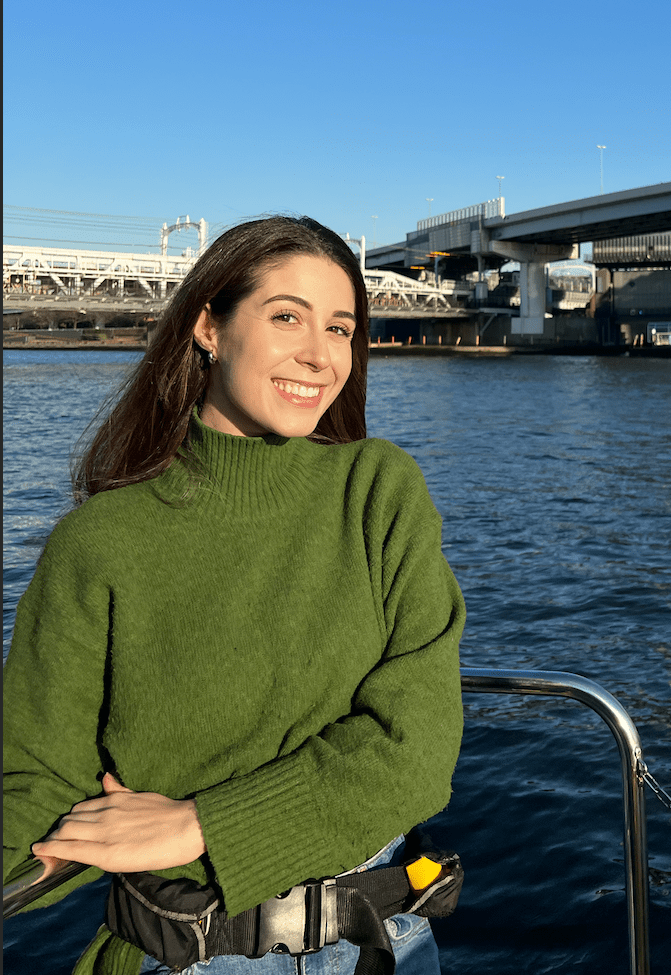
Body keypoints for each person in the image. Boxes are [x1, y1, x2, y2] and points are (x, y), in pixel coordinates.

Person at [3, 216, 466, 974]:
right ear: (208, 326)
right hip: (186, 956)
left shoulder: (379, 491)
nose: (321, 355)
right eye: (287, 316)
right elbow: (37, 783)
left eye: (342, 328)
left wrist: (200, 826)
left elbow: (416, 751)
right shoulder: (100, 542)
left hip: (381, 946)